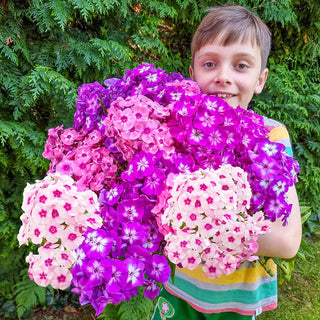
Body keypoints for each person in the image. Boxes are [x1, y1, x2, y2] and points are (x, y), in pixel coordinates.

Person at [151, 4, 302, 320]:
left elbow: (286, 241)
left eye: (241, 66)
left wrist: (196, 225)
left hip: (238, 300)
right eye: (210, 63)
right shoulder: (171, 130)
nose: (223, 77)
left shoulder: (271, 135)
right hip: (179, 288)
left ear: (260, 80)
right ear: (193, 74)